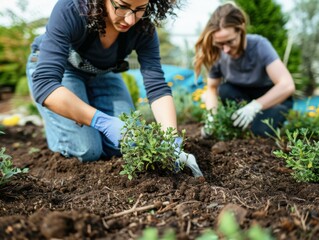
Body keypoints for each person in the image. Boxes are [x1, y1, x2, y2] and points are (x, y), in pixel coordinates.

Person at [26, 0, 203, 177]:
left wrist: (170, 140)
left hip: (102, 72)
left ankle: (81, 118)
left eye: (140, 9)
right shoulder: (72, 9)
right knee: (87, 149)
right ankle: (62, 128)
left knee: (128, 144)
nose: (130, 19)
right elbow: (45, 84)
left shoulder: (144, 27)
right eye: (123, 6)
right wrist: (103, 122)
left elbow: (156, 86)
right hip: (62, 70)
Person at [194, 2, 295, 137]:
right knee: (225, 89)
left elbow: (287, 85)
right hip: (242, 97)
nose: (226, 49)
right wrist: (211, 119)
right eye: (220, 43)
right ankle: (247, 123)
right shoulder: (217, 52)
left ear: (240, 30)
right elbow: (212, 88)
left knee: (260, 132)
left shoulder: (260, 45)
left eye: (230, 41)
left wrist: (255, 106)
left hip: (272, 98)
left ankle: (274, 121)